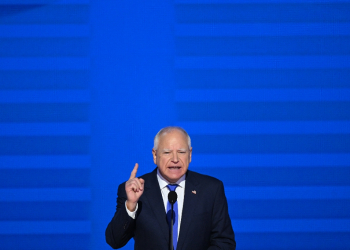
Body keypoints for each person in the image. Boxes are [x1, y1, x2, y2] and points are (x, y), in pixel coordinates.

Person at [105, 126, 236, 250]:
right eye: (167, 152)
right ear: (155, 155)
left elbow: (224, 242)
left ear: (190, 154)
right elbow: (114, 241)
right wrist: (131, 205)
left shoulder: (211, 189)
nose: (175, 159)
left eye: (181, 152)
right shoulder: (134, 190)